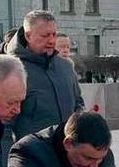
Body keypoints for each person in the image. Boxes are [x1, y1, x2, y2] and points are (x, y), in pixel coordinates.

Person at [5, 11, 84, 141]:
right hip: (32, 156)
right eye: (45, 36)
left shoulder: (66, 67)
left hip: (69, 154)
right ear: (28, 36)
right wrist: (9, 159)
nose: (52, 40)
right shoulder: (11, 70)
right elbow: (4, 127)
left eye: (54, 34)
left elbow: (78, 104)